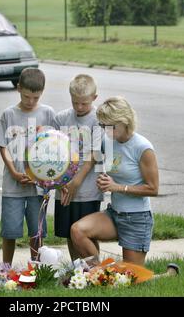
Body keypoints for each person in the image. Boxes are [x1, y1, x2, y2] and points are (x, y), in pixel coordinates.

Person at [70, 96, 159, 266]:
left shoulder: (143, 147)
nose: (106, 130)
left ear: (125, 121)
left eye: (110, 126)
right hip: (114, 214)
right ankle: (98, 274)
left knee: (132, 278)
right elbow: (92, 158)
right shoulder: (107, 140)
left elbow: (153, 189)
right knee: (77, 230)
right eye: (103, 126)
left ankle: (168, 275)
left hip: (137, 218)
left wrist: (116, 187)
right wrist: (74, 180)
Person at [0, 68, 55, 265]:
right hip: (13, 185)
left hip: (38, 186)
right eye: (27, 96)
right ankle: (6, 268)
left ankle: (36, 267)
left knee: (37, 231)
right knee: (10, 230)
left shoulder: (47, 113)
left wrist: (42, 176)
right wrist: (14, 172)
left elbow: (55, 147)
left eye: (35, 98)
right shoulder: (9, 114)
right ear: (18, 88)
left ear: (42, 93)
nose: (30, 102)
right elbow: (3, 146)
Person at [53, 74, 103, 261]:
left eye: (84, 103)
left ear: (94, 98)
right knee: (69, 232)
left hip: (88, 189)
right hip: (64, 188)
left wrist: (77, 182)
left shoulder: (98, 119)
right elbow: (54, 153)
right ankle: (78, 269)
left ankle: (97, 270)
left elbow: (94, 155)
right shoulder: (61, 118)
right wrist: (62, 183)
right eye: (75, 103)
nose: (79, 107)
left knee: (87, 233)